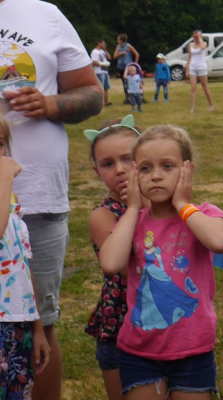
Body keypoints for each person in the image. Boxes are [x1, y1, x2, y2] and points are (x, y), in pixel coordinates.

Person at [0, 0, 104, 400]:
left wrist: (50, 103)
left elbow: (91, 93)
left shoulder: (44, 16)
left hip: (36, 199)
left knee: (39, 325)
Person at [99, 124, 223, 400]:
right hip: (139, 351)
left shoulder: (202, 213)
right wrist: (133, 207)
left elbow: (219, 241)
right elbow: (110, 263)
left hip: (193, 350)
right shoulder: (133, 221)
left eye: (167, 166)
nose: (156, 176)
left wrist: (184, 205)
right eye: (145, 169)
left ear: (187, 170)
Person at [0, 104, 50, 398]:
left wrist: (38, 327)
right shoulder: (0, 197)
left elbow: (20, 264)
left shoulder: (8, 199)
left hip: (18, 324)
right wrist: (5, 176)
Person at [83, 115, 139, 400]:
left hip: (170, 324)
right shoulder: (103, 216)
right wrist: (135, 208)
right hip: (121, 327)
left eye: (128, 159)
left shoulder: (168, 206)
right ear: (97, 171)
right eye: (108, 164)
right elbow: (133, 269)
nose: (120, 170)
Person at [187, 30, 214, 113]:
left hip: (202, 67)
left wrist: (200, 38)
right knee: (193, 88)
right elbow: (189, 57)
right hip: (193, 67)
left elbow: (202, 48)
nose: (196, 38)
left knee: (205, 87)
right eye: (195, 37)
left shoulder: (204, 43)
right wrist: (187, 69)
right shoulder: (191, 45)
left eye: (197, 36)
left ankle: (211, 105)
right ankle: (192, 108)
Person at [113, 35, 139, 105]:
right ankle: (127, 98)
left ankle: (133, 97)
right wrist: (120, 54)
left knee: (130, 82)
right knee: (124, 83)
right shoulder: (118, 46)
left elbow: (137, 54)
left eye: (118, 39)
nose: (117, 41)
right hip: (121, 67)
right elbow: (114, 56)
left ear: (121, 40)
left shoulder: (128, 46)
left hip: (128, 67)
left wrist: (134, 65)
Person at [91, 39, 113, 107]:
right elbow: (94, 62)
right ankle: (98, 103)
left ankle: (106, 102)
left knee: (106, 88)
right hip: (99, 72)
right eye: (103, 44)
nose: (104, 45)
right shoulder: (94, 52)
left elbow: (109, 58)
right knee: (100, 88)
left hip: (105, 71)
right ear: (99, 43)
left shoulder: (102, 51)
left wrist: (105, 50)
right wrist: (103, 64)